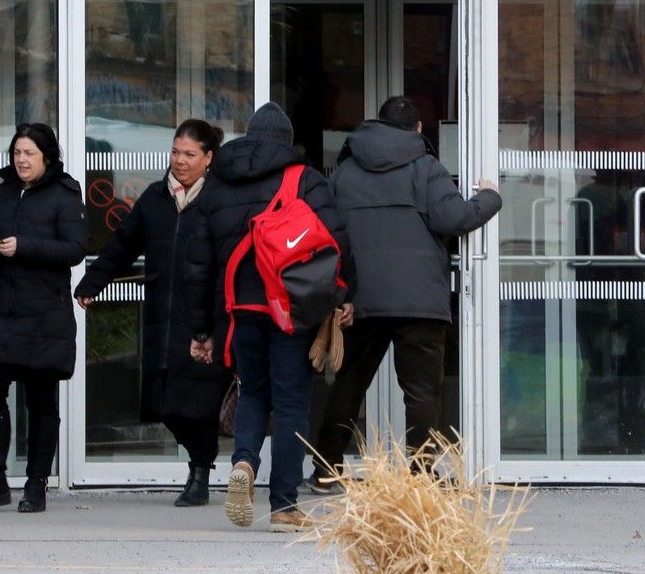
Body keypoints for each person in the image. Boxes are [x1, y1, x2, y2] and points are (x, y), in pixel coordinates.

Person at [311, 96, 501, 491]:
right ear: (417, 130)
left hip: (361, 298)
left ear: (377, 125)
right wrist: (489, 197)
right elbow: (455, 218)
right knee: (421, 392)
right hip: (419, 301)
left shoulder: (344, 171)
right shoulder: (426, 168)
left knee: (349, 383)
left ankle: (326, 470)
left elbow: (327, 229)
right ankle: (421, 476)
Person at [186, 101, 352, 533]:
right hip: (290, 309)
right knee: (292, 401)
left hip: (241, 309)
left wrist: (202, 328)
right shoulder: (304, 179)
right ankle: (283, 507)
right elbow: (337, 242)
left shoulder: (217, 184)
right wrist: (344, 294)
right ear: (286, 140)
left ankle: (243, 462)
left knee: (253, 391)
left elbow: (199, 263)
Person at [74, 119, 228, 507]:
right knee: (165, 403)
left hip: (204, 317)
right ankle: (199, 462)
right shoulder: (156, 198)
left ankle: (199, 473)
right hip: (162, 312)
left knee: (200, 401)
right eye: (175, 152)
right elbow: (122, 245)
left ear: (209, 158)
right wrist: (93, 282)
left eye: (190, 154)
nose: (180, 161)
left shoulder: (219, 201)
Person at [0, 123, 88, 514]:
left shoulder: (64, 195)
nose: (21, 160)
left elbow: (75, 249)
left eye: (29, 153)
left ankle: (36, 484)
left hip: (44, 312)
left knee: (41, 400)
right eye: (17, 152)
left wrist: (25, 246)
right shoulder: (2, 192)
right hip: (2, 307)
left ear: (46, 157)